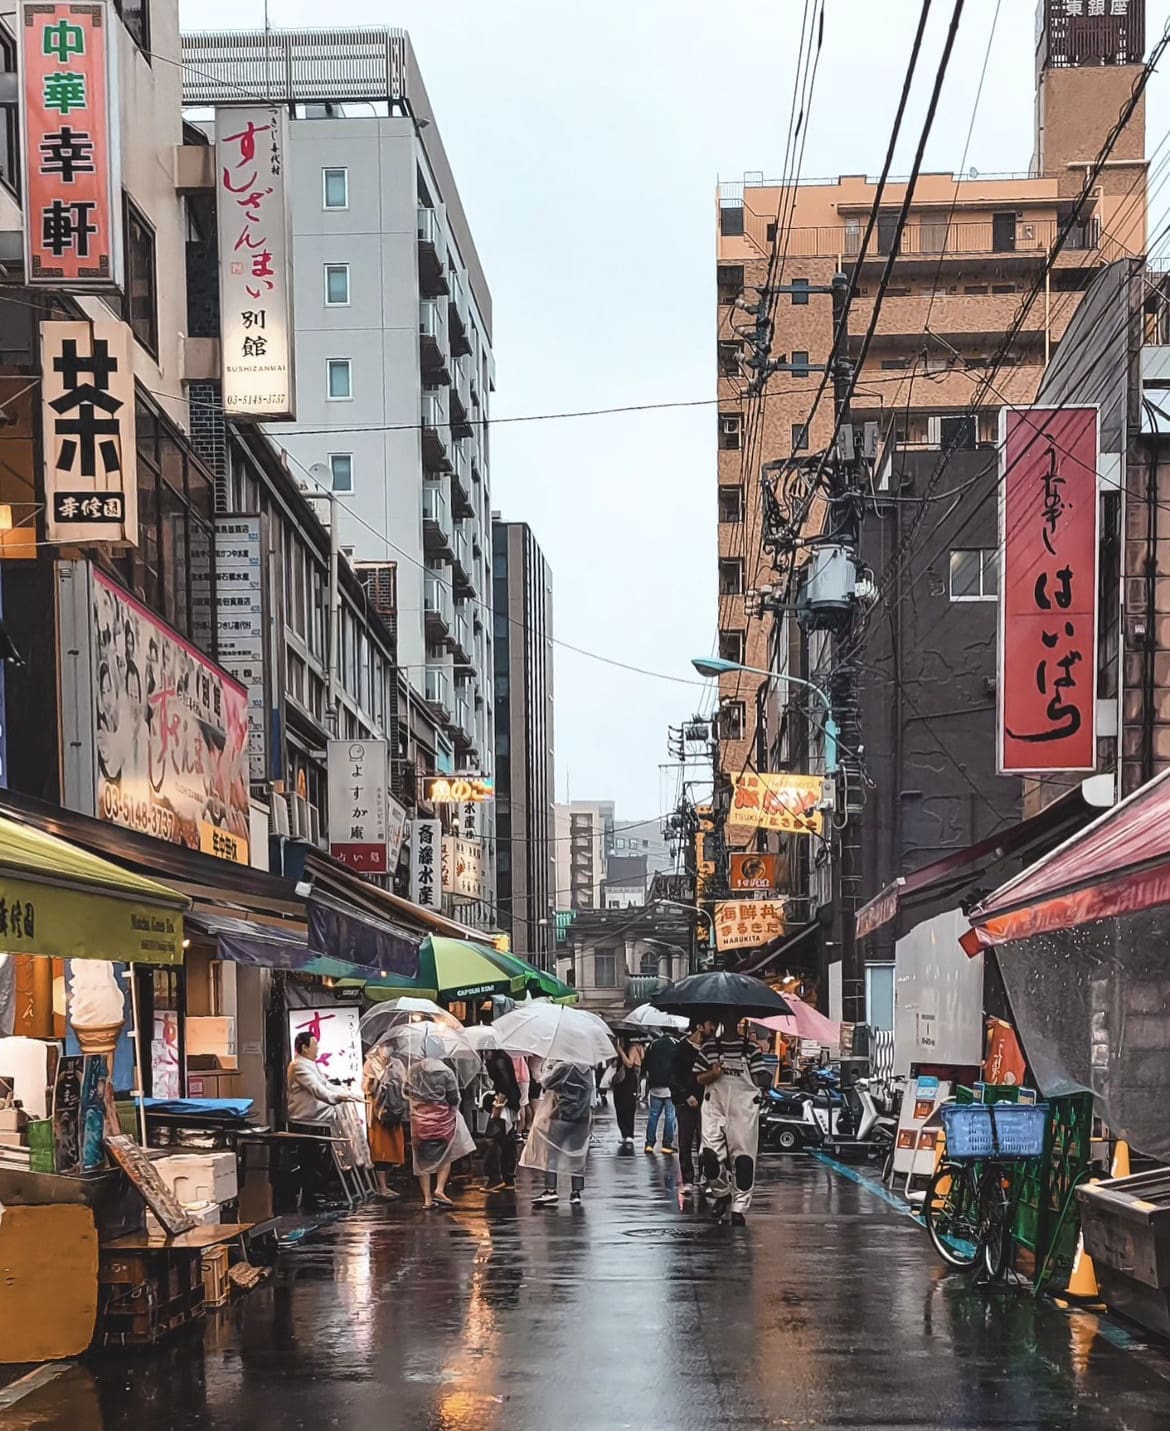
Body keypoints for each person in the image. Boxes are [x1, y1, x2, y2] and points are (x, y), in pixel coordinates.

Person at [694, 1014, 772, 1226]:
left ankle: (739, 1208)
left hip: (743, 1109)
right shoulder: (709, 1048)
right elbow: (698, 1078)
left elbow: (759, 1079)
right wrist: (713, 1073)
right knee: (708, 1156)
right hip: (714, 1106)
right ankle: (722, 1193)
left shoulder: (751, 1049)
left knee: (744, 1161)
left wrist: (764, 1084)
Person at [287, 1031, 361, 1208]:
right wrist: (337, 1098)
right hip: (305, 1121)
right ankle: (312, 1200)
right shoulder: (298, 1066)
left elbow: (325, 1085)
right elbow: (317, 1089)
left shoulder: (310, 1064)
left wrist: (346, 1093)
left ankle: (316, 1197)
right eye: (314, 1045)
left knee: (318, 1161)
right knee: (310, 1162)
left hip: (317, 1120)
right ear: (304, 1048)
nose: (317, 1048)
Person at [405, 1055, 476, 1209]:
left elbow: (405, 1091)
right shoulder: (446, 1071)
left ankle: (427, 1199)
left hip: (419, 1120)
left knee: (422, 1160)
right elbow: (454, 1097)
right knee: (445, 1155)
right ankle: (439, 1189)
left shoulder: (413, 1070)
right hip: (442, 1121)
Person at [523, 1061, 595, 1208]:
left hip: (560, 1115)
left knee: (552, 1153)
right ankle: (576, 1192)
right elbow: (588, 1089)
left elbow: (545, 1082)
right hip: (581, 1118)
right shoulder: (585, 1069)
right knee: (577, 1156)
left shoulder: (563, 1067)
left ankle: (551, 1189)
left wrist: (549, 1068)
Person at [671, 1017, 717, 1192]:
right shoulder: (681, 1049)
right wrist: (685, 1095)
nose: (713, 1028)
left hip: (708, 1100)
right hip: (687, 1102)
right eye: (710, 1024)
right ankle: (688, 1179)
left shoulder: (710, 1048)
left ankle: (706, 1177)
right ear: (699, 1026)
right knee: (685, 1141)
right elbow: (673, 1076)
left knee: (707, 1141)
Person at [363, 1042, 407, 1199]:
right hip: (377, 1112)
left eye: (389, 1045)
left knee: (393, 1149)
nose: (386, 1049)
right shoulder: (371, 1063)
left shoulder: (397, 1063)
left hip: (394, 1111)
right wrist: (374, 1080)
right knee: (380, 1150)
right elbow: (366, 1089)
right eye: (383, 1045)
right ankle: (381, 1187)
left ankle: (386, 1185)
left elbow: (404, 1084)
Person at [482, 1046, 521, 1192]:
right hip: (511, 1102)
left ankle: (495, 1178)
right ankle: (508, 1177)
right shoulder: (503, 1059)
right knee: (506, 1139)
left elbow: (505, 1085)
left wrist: (498, 1104)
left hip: (503, 1102)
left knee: (493, 1139)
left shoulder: (498, 1062)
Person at [643, 1030, 680, 1155]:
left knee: (653, 1115)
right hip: (671, 1086)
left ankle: (649, 1144)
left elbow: (645, 1064)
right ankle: (667, 1145)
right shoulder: (677, 1044)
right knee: (670, 1115)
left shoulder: (653, 1045)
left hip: (655, 1085)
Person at [611, 1035, 642, 1148]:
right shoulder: (619, 1050)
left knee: (628, 1106)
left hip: (629, 1081)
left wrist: (620, 1051)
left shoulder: (632, 1048)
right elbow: (614, 1064)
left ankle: (629, 1133)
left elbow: (629, 1064)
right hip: (619, 1082)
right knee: (619, 1106)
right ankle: (623, 1133)